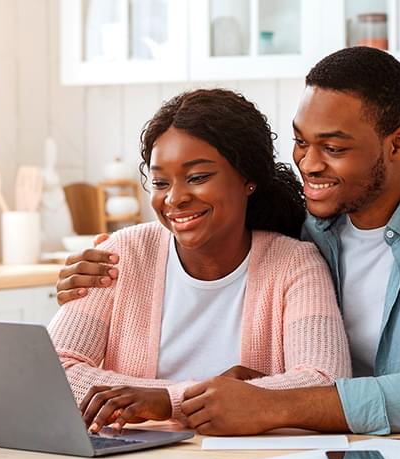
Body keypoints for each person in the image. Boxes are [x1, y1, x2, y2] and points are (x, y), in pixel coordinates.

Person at [56, 47, 400, 436]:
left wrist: (266, 405)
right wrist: (83, 285)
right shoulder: (309, 226)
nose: (310, 164)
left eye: (334, 148)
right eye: (302, 142)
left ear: (397, 144)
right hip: (336, 458)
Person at [48, 88, 351, 434]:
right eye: (161, 182)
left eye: (198, 177)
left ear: (248, 178)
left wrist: (163, 402)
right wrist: (188, 396)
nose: (175, 198)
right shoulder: (122, 254)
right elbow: (52, 370)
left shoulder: (295, 265)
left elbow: (326, 384)